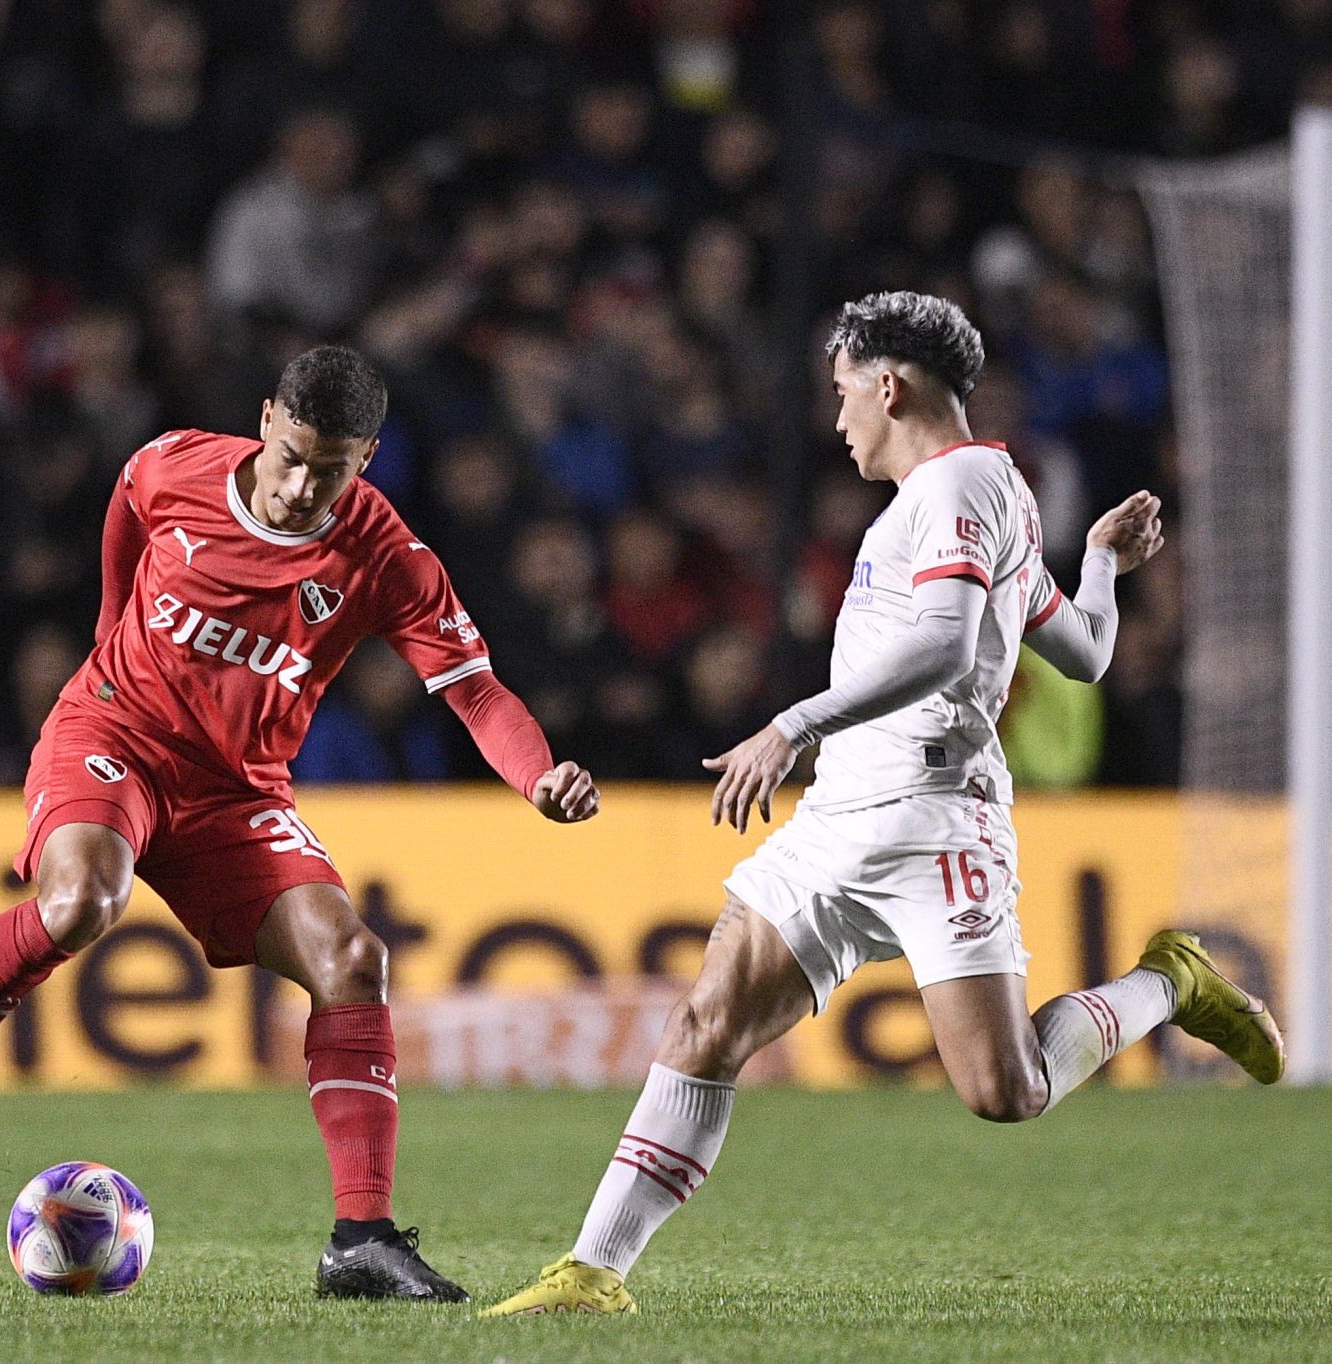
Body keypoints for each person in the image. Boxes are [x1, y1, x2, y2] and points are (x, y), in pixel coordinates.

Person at [482, 290, 1283, 1317]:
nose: (838, 417)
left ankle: (1169, 982)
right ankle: (593, 1272)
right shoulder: (973, 493)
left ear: (889, 383)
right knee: (707, 1020)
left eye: (843, 390)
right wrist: (1102, 565)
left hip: (935, 816)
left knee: (1007, 1090)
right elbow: (1082, 651)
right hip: (842, 814)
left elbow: (948, 646)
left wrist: (795, 724)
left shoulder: (959, 487)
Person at [0, 345, 599, 1303]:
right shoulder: (174, 465)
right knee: (83, 899)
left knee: (353, 959)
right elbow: (126, 508)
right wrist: (108, 632)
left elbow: (473, 693)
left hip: (238, 793)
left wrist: (538, 777)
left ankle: (360, 1239)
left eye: (328, 467)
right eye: (291, 454)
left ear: (366, 456)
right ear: (264, 420)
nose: (300, 486)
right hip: (114, 736)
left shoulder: (388, 557)